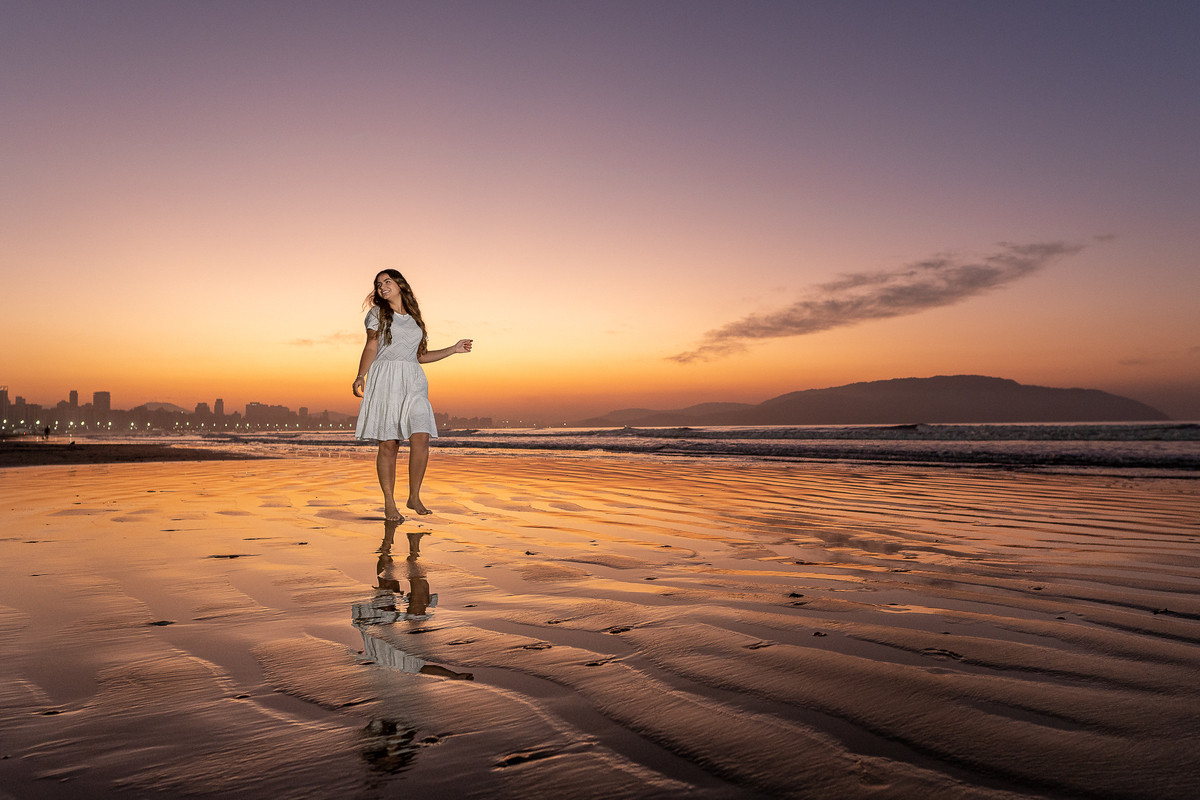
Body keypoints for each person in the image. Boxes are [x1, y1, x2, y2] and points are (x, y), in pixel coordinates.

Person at [352, 269, 471, 521]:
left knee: (421, 435)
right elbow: (372, 345)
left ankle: (414, 495)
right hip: (386, 380)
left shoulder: (416, 319)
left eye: (387, 281)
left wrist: (453, 349)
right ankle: (389, 503)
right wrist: (361, 375)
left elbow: (419, 356)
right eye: (378, 284)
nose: (382, 286)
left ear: (400, 284)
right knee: (389, 445)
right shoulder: (377, 314)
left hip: (414, 380)